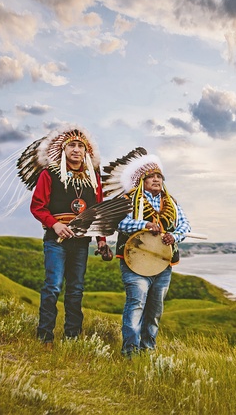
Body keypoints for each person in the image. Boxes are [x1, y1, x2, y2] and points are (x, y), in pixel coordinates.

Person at [22, 125, 108, 346]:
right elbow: (38, 207)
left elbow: (98, 211)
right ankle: (45, 337)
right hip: (56, 241)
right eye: (72, 145)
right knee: (52, 286)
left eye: (80, 146)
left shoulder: (94, 177)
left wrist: (101, 241)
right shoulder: (49, 174)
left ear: (86, 151)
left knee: (76, 290)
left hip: (81, 243)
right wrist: (55, 225)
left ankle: (72, 338)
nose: (76, 149)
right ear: (64, 149)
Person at [104, 149, 191, 357]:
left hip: (162, 264)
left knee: (154, 310)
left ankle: (148, 349)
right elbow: (120, 223)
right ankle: (130, 352)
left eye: (159, 176)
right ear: (142, 179)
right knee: (136, 304)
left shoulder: (171, 203)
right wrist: (144, 224)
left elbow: (185, 225)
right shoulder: (128, 199)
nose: (156, 179)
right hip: (134, 262)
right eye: (151, 176)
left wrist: (174, 237)